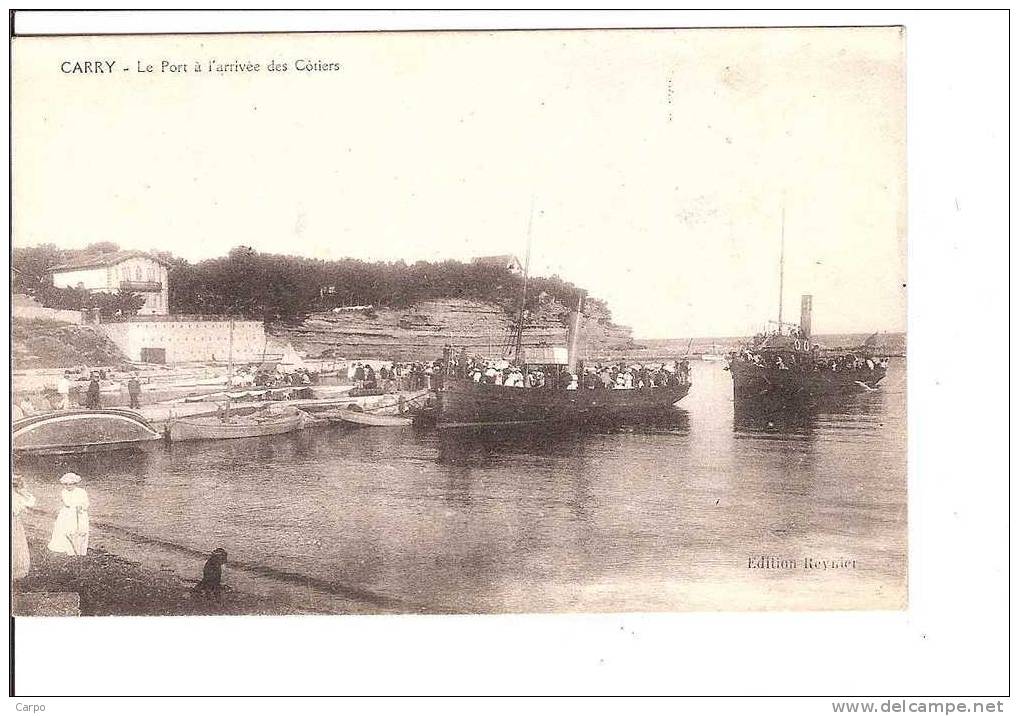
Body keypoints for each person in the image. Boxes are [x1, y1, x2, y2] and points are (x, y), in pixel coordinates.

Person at [47, 473, 90, 556]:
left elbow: (86, 503)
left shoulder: (81, 492)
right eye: (66, 484)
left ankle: (79, 549)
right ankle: (66, 548)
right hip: (68, 513)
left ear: (75, 484)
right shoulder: (64, 492)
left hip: (79, 513)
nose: (68, 486)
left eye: (70, 484)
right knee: (66, 529)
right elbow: (67, 503)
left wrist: (81, 507)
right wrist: (72, 507)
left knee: (80, 531)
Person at [12, 475, 36, 580]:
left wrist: (22, 492)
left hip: (14, 522)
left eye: (14, 485)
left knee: (15, 543)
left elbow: (30, 502)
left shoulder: (16, 495)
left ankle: (16, 568)